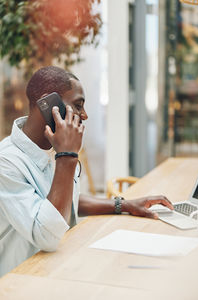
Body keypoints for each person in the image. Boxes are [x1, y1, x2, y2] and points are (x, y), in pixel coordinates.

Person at [0, 66, 173, 277]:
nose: (85, 115)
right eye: (78, 105)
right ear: (48, 105)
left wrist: (123, 204)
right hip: (20, 282)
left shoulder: (49, 149)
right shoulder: (6, 162)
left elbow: (65, 200)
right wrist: (67, 156)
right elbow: (46, 234)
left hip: (58, 269)